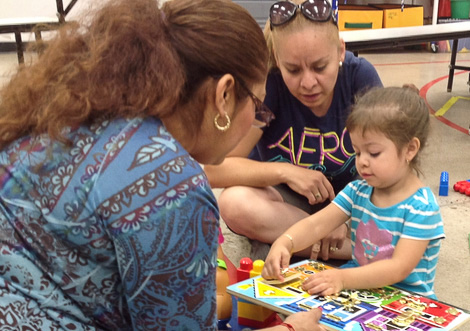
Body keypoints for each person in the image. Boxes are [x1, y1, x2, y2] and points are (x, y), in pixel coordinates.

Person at [0, 0, 326, 329]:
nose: (257, 120)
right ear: (224, 95)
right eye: (257, 106)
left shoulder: (65, 117)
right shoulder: (173, 188)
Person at [204, 0, 383, 262]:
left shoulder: (360, 78)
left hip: (354, 205)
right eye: (293, 70)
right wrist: (287, 172)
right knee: (233, 203)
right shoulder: (269, 87)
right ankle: (357, 252)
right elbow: (215, 168)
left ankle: (296, 244)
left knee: (403, 208)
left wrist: (340, 215)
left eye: (320, 67)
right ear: (277, 59)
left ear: (341, 51)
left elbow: (391, 162)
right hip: (290, 206)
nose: (308, 83)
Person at [262, 87, 445, 299]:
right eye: (357, 152)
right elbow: (316, 224)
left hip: (406, 302)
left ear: (410, 149)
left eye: (374, 153)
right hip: (359, 291)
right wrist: (285, 242)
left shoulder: (421, 208)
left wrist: (343, 279)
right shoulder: (357, 192)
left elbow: (398, 268)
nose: (362, 161)